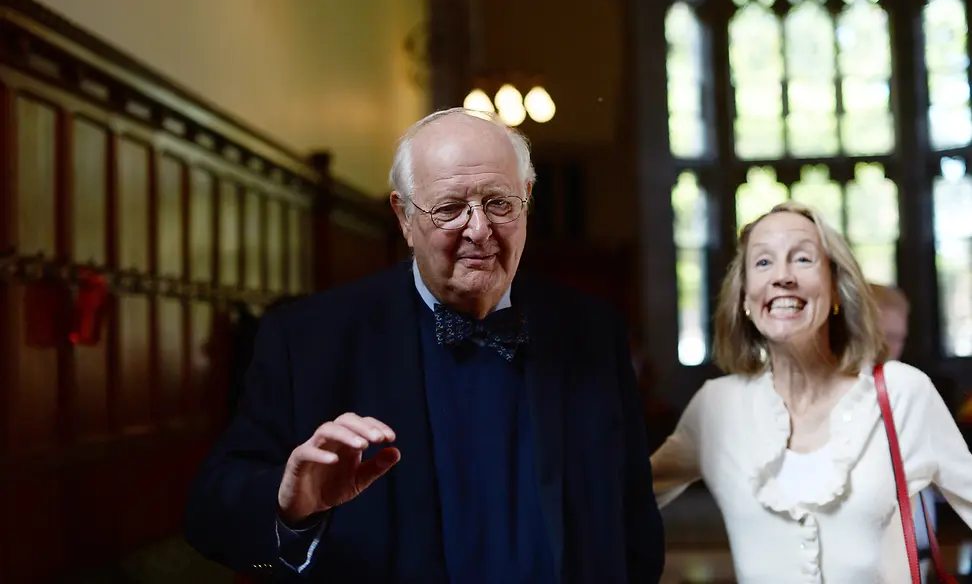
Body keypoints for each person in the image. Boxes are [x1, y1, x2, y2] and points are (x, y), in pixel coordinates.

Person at [184, 107, 666, 583]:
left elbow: (634, 526)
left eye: (499, 203)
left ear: (526, 199)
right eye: (450, 208)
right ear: (404, 217)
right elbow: (209, 521)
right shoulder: (308, 340)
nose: (479, 231)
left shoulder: (593, 329)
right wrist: (289, 507)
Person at [651, 201, 972, 583]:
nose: (782, 276)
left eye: (803, 259)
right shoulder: (715, 407)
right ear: (745, 298)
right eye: (763, 262)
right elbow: (618, 501)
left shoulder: (903, 393)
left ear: (836, 290)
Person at [869, 282, 940, 583]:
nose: (891, 350)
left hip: (917, 551)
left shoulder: (906, 391)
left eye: (898, 339)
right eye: (883, 337)